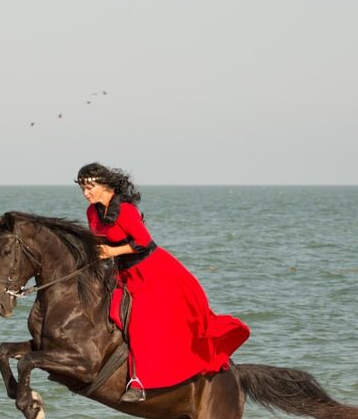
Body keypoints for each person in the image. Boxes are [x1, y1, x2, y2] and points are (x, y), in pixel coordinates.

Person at [76, 162, 250, 402]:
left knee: (140, 320)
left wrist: (111, 252)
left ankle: (139, 382)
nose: (86, 193)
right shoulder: (92, 212)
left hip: (150, 271)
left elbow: (143, 243)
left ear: (105, 185)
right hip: (121, 273)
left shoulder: (125, 211)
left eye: (90, 187)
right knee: (109, 313)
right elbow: (100, 245)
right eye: (83, 188)